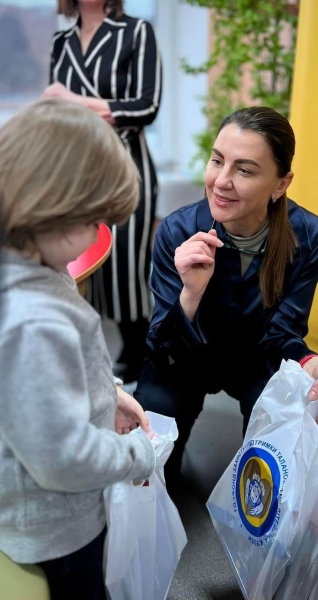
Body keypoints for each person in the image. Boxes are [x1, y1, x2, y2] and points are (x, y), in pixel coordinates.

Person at [134, 106, 318, 480]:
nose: (221, 181)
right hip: (187, 357)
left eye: (245, 170)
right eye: (217, 161)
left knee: (281, 441)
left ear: (281, 184)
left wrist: (308, 361)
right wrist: (190, 293)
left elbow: (283, 332)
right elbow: (160, 347)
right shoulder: (177, 230)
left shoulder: (310, 236)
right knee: (154, 458)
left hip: (256, 359)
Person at [0, 98, 156, 599]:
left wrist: (109, 393)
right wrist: (137, 456)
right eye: (95, 220)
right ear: (53, 207)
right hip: (54, 527)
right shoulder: (32, 320)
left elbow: (47, 388)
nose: (98, 235)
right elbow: (61, 457)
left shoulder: (32, 269)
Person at [44, 0, 162, 382]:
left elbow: (147, 107)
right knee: (81, 263)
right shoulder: (62, 41)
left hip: (125, 166)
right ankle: (92, 356)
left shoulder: (136, 32)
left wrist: (75, 101)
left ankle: (142, 351)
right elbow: (54, 112)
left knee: (126, 264)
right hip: (76, 171)